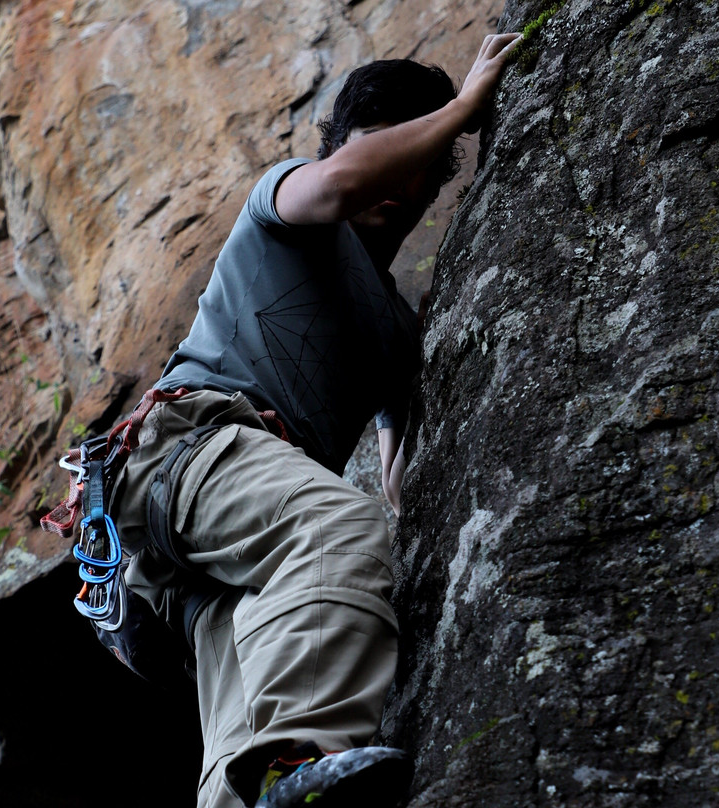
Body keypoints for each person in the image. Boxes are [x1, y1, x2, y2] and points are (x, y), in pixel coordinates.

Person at [107, 31, 522, 808]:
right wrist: (463, 107)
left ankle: (262, 786)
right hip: (189, 449)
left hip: (222, 541)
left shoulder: (394, 331)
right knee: (337, 528)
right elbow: (334, 187)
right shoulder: (289, 199)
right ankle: (305, 759)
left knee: (242, 721)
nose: (394, 174)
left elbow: (399, 468)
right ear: (339, 149)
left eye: (414, 156)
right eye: (376, 145)